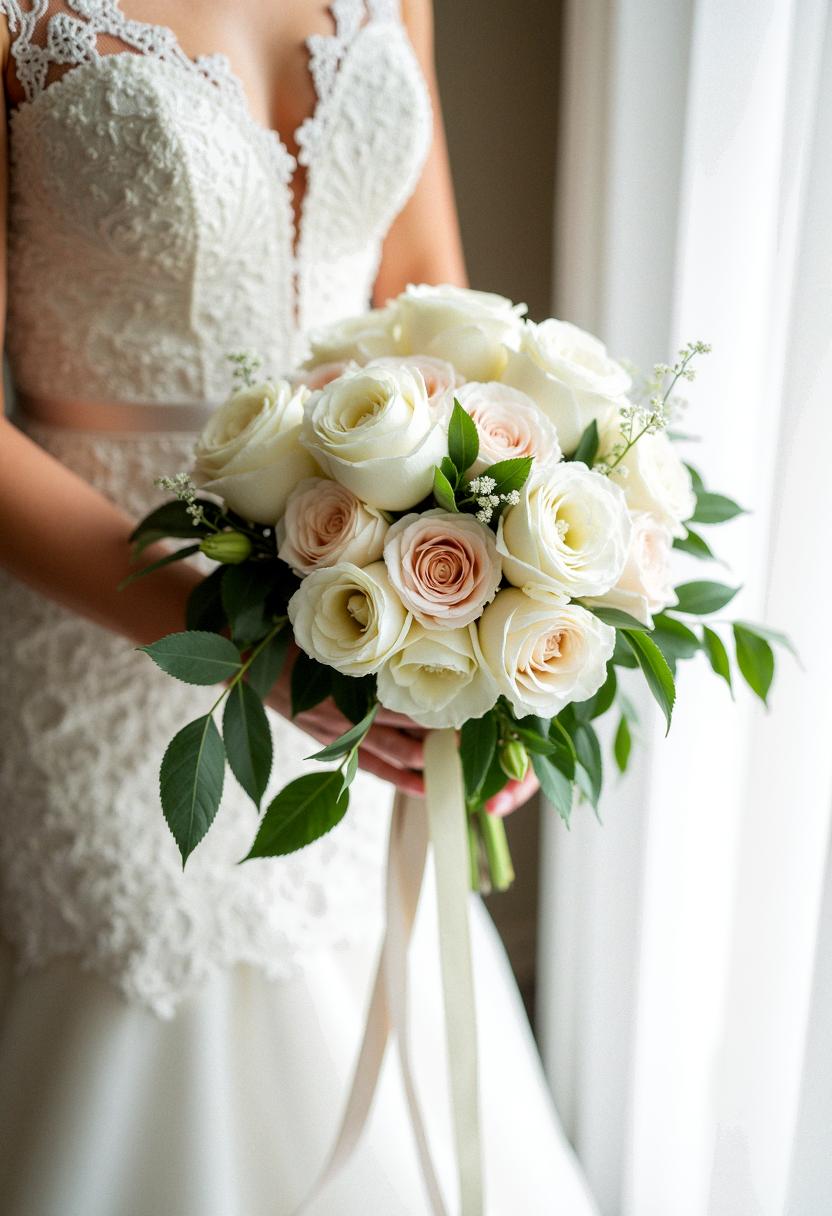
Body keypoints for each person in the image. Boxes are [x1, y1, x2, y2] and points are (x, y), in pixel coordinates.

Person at [0, 2, 598, 1212]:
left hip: (361, 610)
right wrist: (235, 638)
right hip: (109, 653)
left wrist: (486, 628)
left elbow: (439, 324)